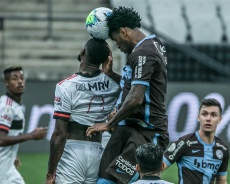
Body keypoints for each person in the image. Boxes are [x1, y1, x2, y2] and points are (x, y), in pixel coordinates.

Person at [86, 6, 169, 184]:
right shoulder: (151, 45)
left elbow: (136, 98)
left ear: (123, 32)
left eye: (116, 40)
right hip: (127, 128)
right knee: (104, 180)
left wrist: (108, 124)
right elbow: (137, 87)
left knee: (121, 180)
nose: (117, 46)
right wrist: (113, 75)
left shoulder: (143, 53)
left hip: (146, 132)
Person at [45, 38, 120, 184]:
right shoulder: (114, 84)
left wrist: (50, 173)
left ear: (82, 52)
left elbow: (59, 134)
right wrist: (111, 73)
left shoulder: (65, 86)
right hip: (98, 151)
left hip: (72, 152)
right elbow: (132, 89)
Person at [0, 66, 48, 184]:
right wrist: (31, 135)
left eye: (22, 78)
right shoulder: (7, 107)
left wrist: (9, 150)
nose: (20, 81)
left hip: (8, 168)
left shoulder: (8, 102)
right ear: (6, 83)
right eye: (14, 79)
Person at [163, 98, 229, 184]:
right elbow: (157, 169)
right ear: (198, 117)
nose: (208, 118)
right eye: (204, 114)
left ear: (220, 119)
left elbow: (222, 181)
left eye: (213, 115)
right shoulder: (184, 143)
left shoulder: (222, 149)